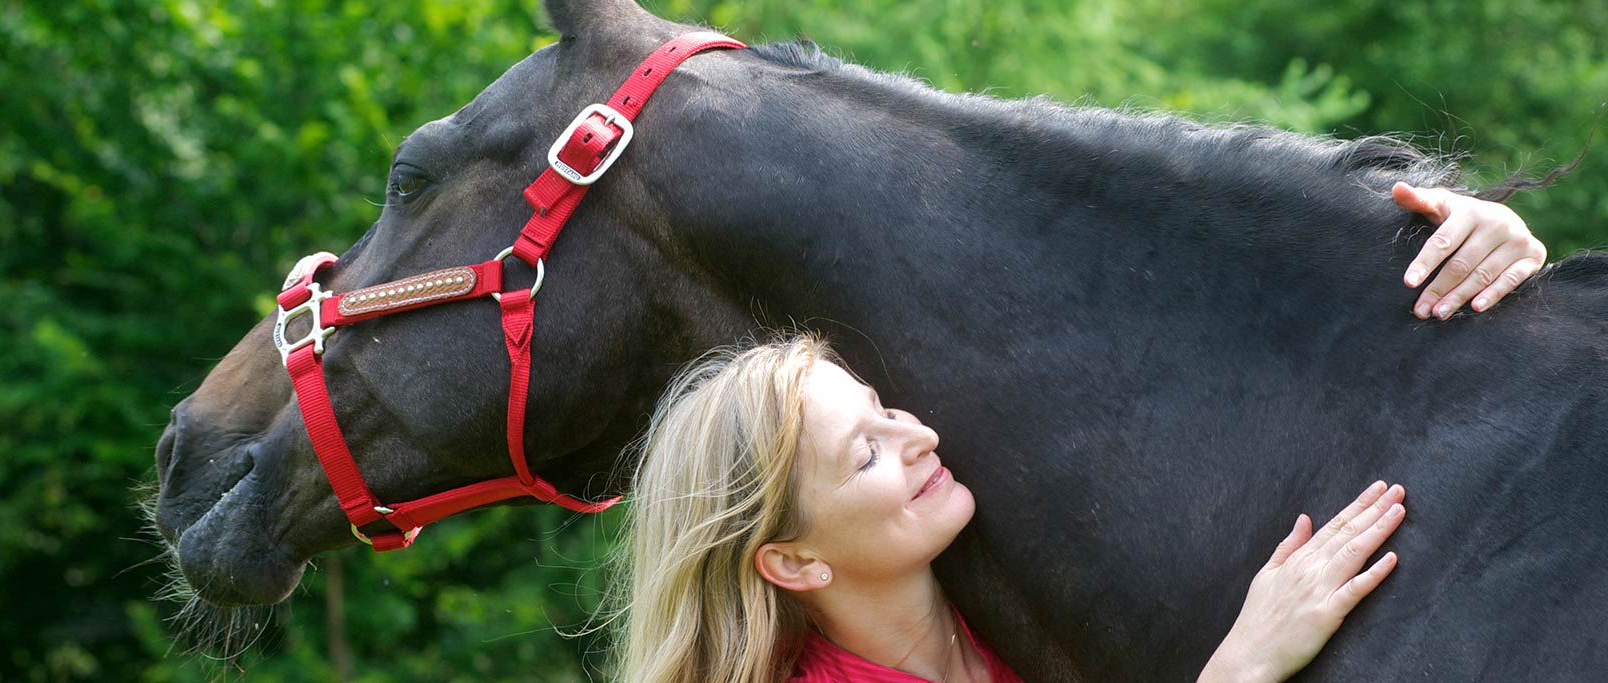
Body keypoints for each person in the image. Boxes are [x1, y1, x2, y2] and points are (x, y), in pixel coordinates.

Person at [611, 187, 1542, 683]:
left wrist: (1454, 258)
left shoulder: (1018, 587)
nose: (920, 434)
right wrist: (1242, 664)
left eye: (885, 409)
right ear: (793, 562)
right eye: (866, 452)